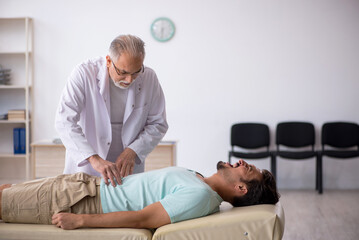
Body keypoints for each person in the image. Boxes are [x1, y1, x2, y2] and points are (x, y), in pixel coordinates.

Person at [0, 159, 280, 230]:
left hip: (81, 201)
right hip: (81, 185)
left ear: (241, 189)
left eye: (248, 169)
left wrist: (80, 221)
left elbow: (143, 219)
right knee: (5, 190)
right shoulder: (197, 179)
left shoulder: (199, 196)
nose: (242, 162)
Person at [55, 34, 168, 186]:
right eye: (123, 73)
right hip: (88, 166)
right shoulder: (84, 73)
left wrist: (133, 151)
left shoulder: (149, 77)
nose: (129, 80)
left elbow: (158, 123)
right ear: (109, 61)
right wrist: (94, 158)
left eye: (136, 72)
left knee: (124, 209)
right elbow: (64, 121)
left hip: (128, 170)